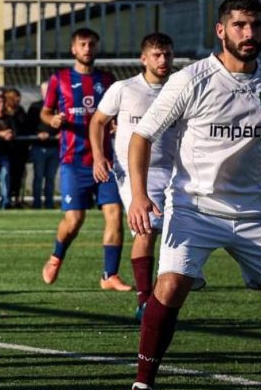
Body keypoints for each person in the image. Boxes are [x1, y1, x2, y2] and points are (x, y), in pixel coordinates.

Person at [118, 0, 261, 390]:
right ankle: (142, 386)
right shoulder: (191, 80)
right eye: (239, 26)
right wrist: (139, 196)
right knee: (171, 286)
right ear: (221, 30)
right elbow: (142, 137)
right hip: (194, 207)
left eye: (254, 25)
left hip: (256, 212)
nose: (248, 34)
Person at [90, 33, 177, 322]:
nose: (163, 60)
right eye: (156, 54)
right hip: (134, 171)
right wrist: (99, 156)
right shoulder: (124, 88)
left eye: (167, 54)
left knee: (180, 229)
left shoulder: (180, 87)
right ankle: (144, 301)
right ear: (143, 58)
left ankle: (173, 285)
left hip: (175, 170)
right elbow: (98, 121)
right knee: (146, 228)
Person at [40, 28, 129, 291]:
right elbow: (45, 112)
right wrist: (52, 120)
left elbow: (117, 114)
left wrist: (116, 124)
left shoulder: (108, 80)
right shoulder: (60, 79)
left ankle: (109, 275)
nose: (87, 48)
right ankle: (56, 256)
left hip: (105, 162)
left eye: (91, 44)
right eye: (83, 44)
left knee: (114, 215)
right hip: (73, 161)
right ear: (73, 49)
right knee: (74, 220)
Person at [27, 82, 59, 209]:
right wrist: (38, 134)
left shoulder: (59, 106)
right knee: (38, 177)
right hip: (39, 147)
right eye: (45, 90)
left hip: (55, 147)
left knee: (50, 178)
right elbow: (28, 126)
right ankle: (36, 203)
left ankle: (49, 204)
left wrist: (60, 134)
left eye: (49, 90)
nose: (47, 93)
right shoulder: (35, 107)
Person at [4, 88, 29, 207]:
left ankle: (17, 199)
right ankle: (6, 198)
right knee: (7, 175)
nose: (18, 99)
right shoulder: (4, 113)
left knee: (19, 175)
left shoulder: (21, 111)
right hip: (7, 149)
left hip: (20, 150)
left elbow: (25, 127)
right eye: (16, 96)